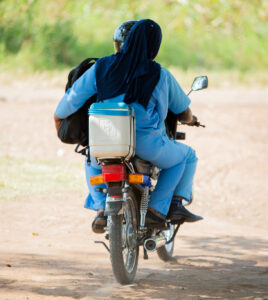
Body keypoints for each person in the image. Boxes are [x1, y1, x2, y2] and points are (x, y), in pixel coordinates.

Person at [54, 19, 202, 233]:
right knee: (184, 157)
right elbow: (183, 111)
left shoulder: (101, 67)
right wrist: (191, 119)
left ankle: (100, 209)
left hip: (105, 141)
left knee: (90, 159)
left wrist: (58, 118)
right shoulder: (160, 74)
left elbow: (73, 98)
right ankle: (159, 209)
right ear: (154, 45)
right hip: (147, 145)